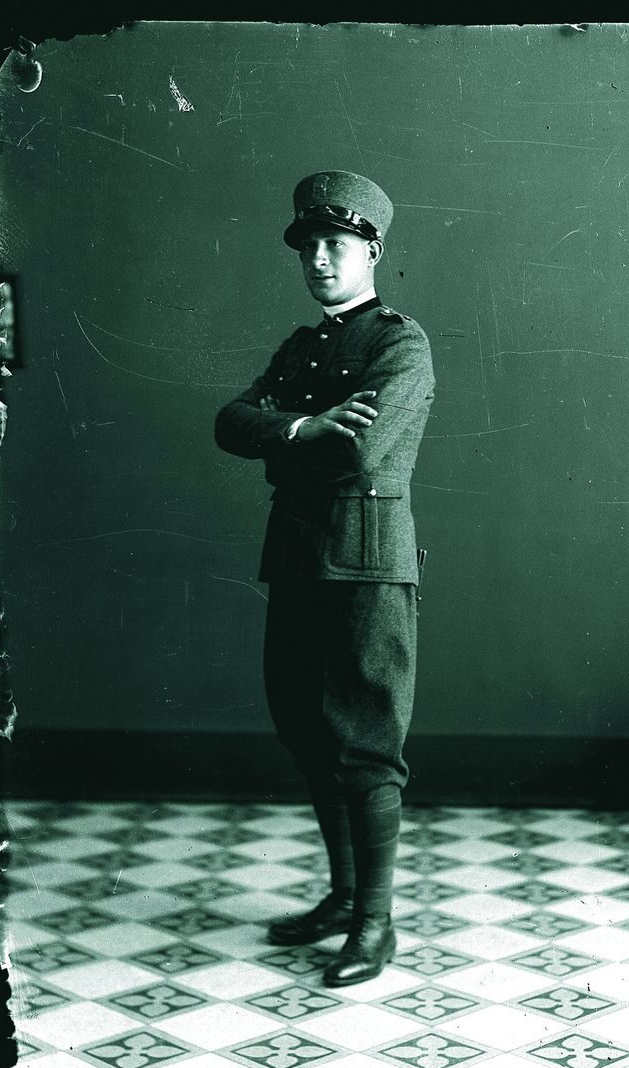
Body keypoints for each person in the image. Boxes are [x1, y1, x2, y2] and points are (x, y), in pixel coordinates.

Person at [214, 171, 435, 986]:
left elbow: (363, 451)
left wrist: (285, 437)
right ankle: (343, 899)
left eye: (334, 243)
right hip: (299, 558)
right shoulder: (301, 347)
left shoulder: (398, 344)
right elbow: (229, 422)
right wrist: (305, 424)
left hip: (365, 566)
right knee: (307, 730)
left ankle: (375, 924)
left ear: (371, 251)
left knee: (364, 740)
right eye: (307, 245)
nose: (317, 258)